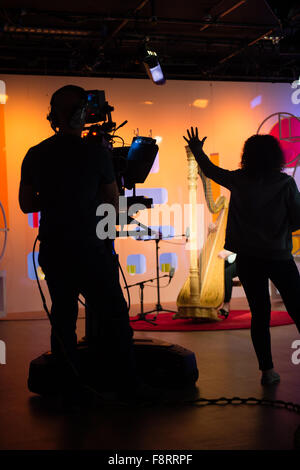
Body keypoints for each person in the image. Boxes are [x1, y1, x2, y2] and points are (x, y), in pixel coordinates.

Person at [19, 85, 137, 402]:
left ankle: (68, 388)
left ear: (52, 116)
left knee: (63, 318)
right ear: (83, 115)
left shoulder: (36, 153)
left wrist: (57, 197)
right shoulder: (97, 153)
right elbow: (112, 203)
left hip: (55, 250)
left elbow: (27, 204)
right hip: (92, 250)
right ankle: (127, 385)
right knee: (114, 316)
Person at [184, 127, 300, 385]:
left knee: (260, 314)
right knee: (298, 307)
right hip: (279, 257)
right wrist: (280, 230)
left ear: (247, 156)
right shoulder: (285, 184)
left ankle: (267, 372)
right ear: (276, 156)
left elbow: (212, 172)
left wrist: (197, 150)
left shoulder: (239, 180)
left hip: (248, 258)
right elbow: (298, 219)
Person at [207, 222, 237, 318]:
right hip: (229, 259)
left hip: (244, 259)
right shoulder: (224, 224)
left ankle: (226, 304)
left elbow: (246, 244)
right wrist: (210, 233)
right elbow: (211, 245)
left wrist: (229, 252)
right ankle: (209, 302)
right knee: (212, 269)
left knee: (226, 273)